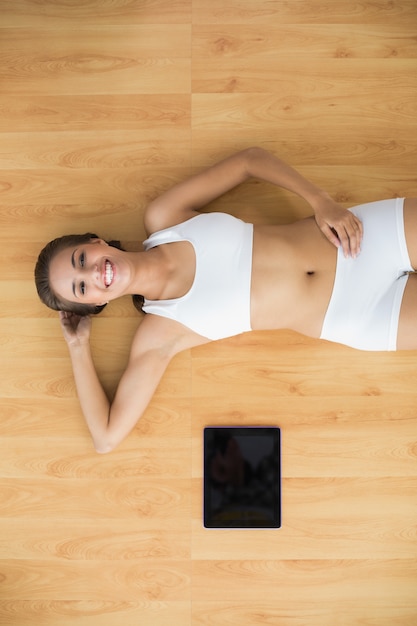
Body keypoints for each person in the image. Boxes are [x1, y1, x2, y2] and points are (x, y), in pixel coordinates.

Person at [34, 147, 417, 453]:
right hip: (357, 314)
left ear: (94, 241)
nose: (93, 274)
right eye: (81, 288)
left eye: (80, 260)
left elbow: (249, 160)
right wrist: (78, 344)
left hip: (359, 237)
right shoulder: (160, 332)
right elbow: (106, 438)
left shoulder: (165, 218)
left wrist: (321, 201)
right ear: (94, 305)